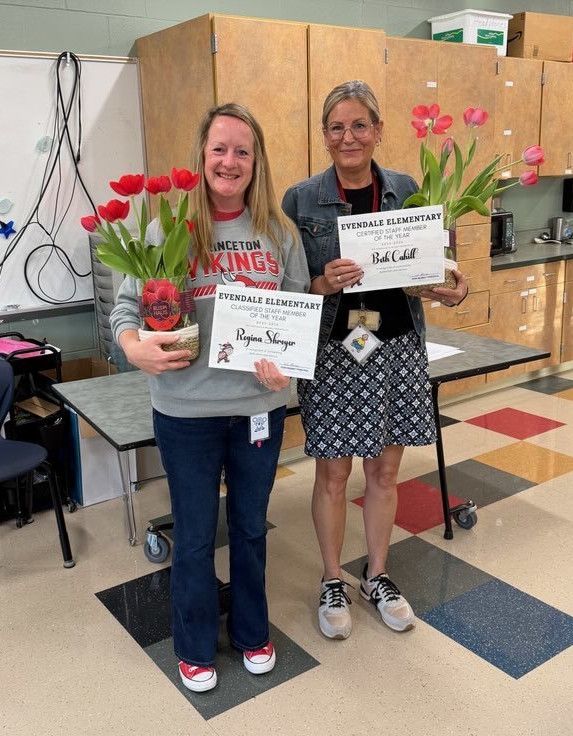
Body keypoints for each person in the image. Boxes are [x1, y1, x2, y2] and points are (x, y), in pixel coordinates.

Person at [110, 102, 310, 691]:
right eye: (219, 148)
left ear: (257, 162)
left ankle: (252, 631)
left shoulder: (279, 232)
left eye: (242, 151)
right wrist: (133, 347)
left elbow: (299, 312)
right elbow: (126, 310)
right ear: (202, 156)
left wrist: (288, 372)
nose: (230, 160)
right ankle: (194, 645)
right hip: (185, 412)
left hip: (256, 409)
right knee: (195, 537)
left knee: (250, 528)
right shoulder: (165, 231)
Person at [282, 80, 468, 639]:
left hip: (396, 346)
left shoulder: (410, 190)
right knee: (334, 473)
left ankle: (379, 574)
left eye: (359, 125)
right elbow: (289, 288)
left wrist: (449, 287)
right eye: (336, 127)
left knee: (385, 471)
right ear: (324, 134)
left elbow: (438, 270)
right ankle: (333, 578)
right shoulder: (301, 199)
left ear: (378, 131)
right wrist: (321, 281)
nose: (348, 137)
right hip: (336, 352)